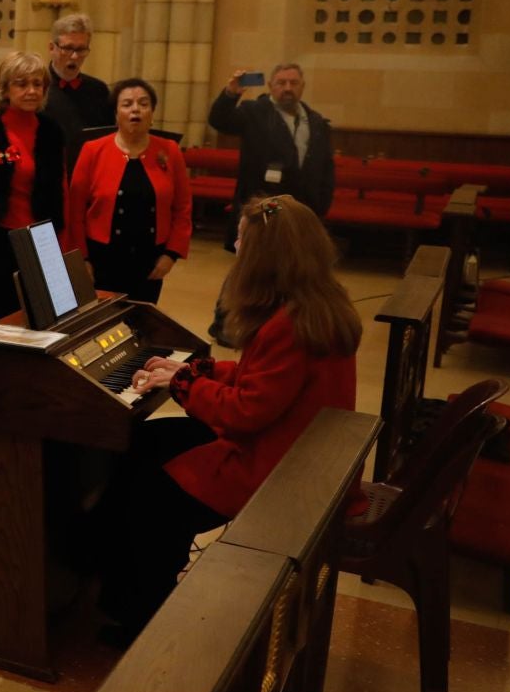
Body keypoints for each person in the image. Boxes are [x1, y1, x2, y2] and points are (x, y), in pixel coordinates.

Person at [96, 195, 359, 639]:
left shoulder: (291, 323)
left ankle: (141, 615)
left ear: (264, 258)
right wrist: (193, 370)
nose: (235, 249)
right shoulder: (314, 302)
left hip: (277, 469)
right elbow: (265, 381)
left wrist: (184, 385)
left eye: (241, 241)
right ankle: (115, 580)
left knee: (152, 491)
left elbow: (245, 412)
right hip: (293, 450)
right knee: (148, 444)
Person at [0, 51, 68, 322]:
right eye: (22, 84)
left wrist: (63, 249)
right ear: (6, 89)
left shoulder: (52, 132)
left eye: (37, 83)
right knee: (0, 323)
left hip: (42, 242)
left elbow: (62, 193)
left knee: (42, 323)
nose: (31, 91)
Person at [63, 77, 192, 304]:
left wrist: (171, 254)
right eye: (127, 104)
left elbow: (182, 207)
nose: (136, 110)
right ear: (116, 114)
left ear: (152, 113)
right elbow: (75, 211)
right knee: (102, 326)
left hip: (151, 259)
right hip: (102, 258)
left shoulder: (169, 150)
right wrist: (81, 258)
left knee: (141, 324)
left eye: (143, 104)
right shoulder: (93, 150)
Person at [207, 62, 335, 251]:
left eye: (294, 83)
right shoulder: (254, 112)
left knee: (299, 263)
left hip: (303, 207)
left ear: (302, 86)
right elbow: (220, 121)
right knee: (263, 258)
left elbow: (326, 166)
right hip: (266, 205)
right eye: (281, 83)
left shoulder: (316, 122)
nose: (288, 88)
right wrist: (231, 93)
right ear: (270, 85)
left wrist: (322, 204)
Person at [40, 13, 113, 170]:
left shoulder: (98, 90)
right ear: (52, 48)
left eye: (81, 49)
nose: (74, 56)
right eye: (67, 48)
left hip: (88, 172)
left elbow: (108, 137)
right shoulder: (37, 86)